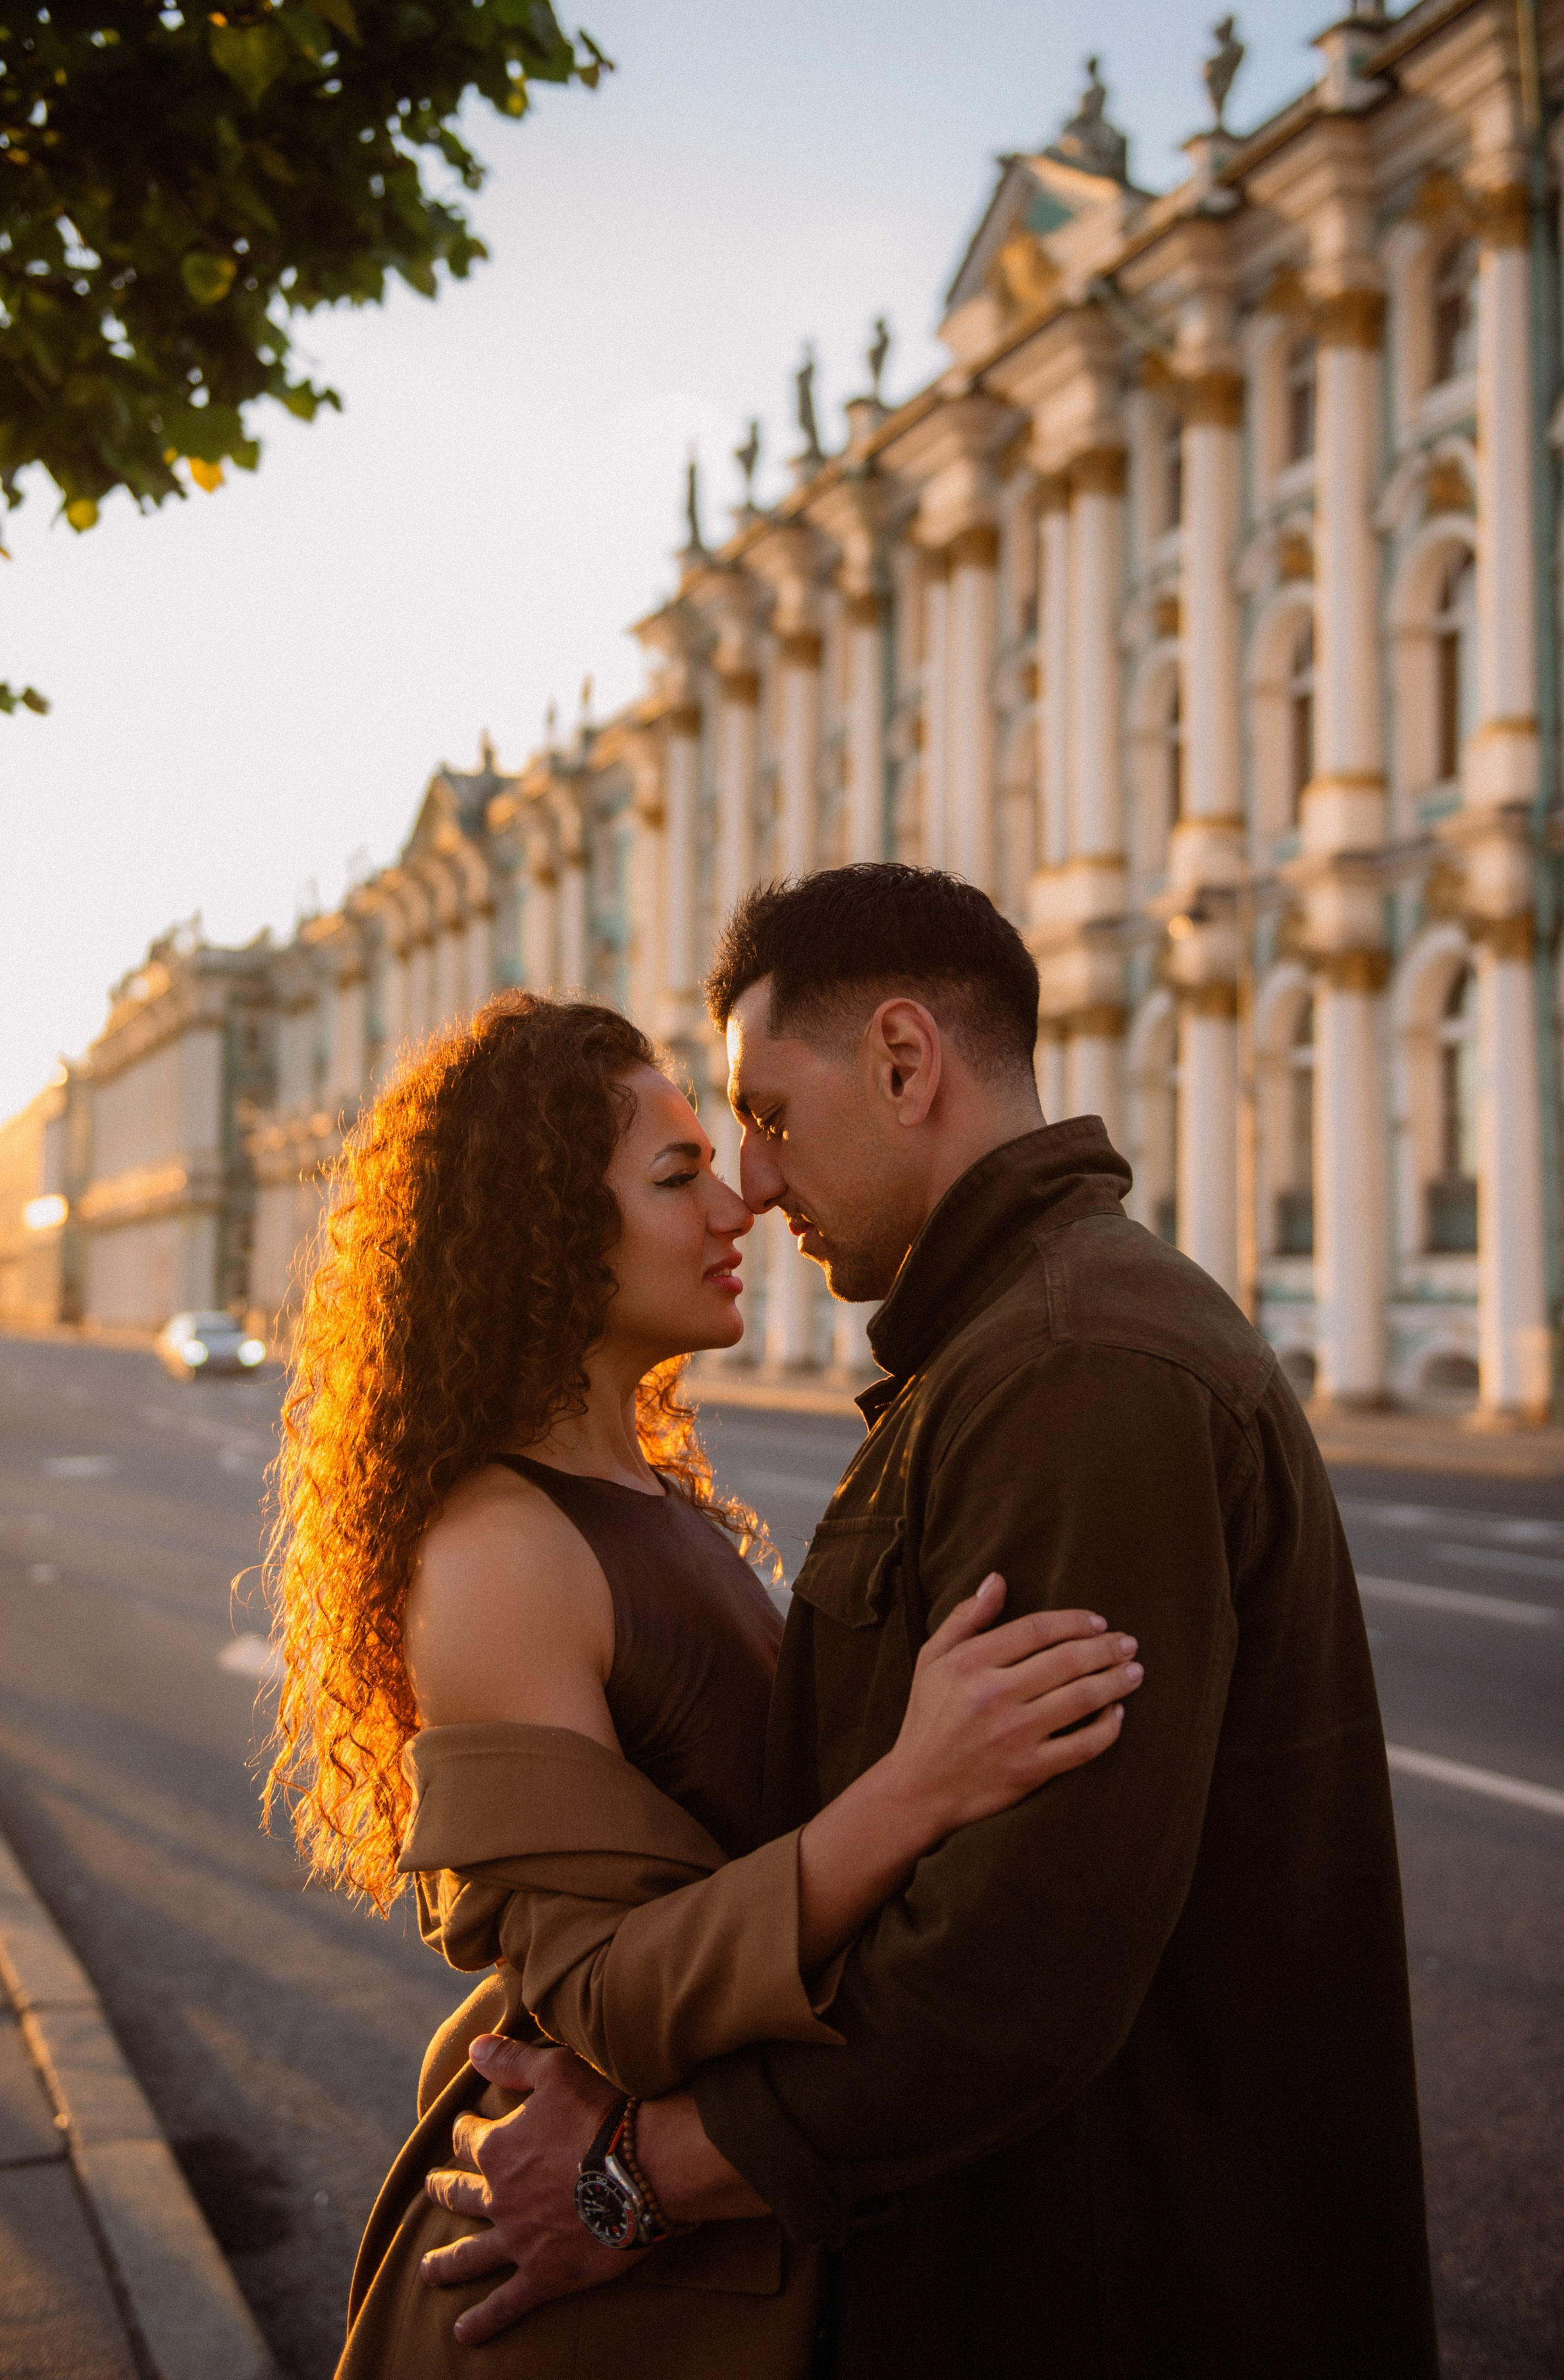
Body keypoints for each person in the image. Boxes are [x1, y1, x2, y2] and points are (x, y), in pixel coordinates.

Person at [418, 865, 1440, 2379]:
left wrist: (642, 2170)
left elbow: (1011, 1962)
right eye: (696, 1157)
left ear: (904, 1060)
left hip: (1113, 2284)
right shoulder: (1010, 1353)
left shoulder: (1074, 1369)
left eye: (762, 1119)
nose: (750, 1188)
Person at [262, 992, 1142, 2377]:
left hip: (678, 2270)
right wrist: (915, 1788)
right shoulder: (503, 1548)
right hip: (584, 2303)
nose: (738, 1203)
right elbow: (604, 1986)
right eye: (679, 1175)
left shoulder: (645, 1496)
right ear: (551, 1221)